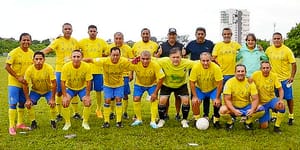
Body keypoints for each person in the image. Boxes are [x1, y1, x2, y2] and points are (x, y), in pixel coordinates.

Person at [42, 23, 81, 121]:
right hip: (60, 70)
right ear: (62, 30)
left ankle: (76, 113)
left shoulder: (75, 41)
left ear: (72, 30)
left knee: (74, 90)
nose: (67, 30)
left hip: (72, 69)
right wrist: (35, 55)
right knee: (59, 92)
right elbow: (48, 50)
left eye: (69, 29)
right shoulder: (58, 41)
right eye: (66, 29)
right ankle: (59, 114)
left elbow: (80, 53)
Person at [85, 47, 132, 128]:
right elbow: (90, 60)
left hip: (119, 84)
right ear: (110, 55)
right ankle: (106, 122)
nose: (115, 57)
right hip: (107, 85)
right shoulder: (104, 60)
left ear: (120, 55)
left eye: (117, 55)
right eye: (113, 55)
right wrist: (75, 60)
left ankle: (119, 121)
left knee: (118, 99)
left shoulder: (123, 60)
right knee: (107, 100)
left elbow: (133, 61)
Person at [156, 47, 196, 128]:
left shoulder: (186, 62)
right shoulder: (163, 61)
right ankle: (161, 119)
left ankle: (184, 120)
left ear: (181, 57)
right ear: (169, 57)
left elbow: (199, 63)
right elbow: (151, 59)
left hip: (181, 85)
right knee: (162, 100)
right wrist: (137, 59)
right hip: (167, 85)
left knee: (185, 100)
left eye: (178, 57)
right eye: (173, 57)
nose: (175, 59)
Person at [219, 64, 265, 130]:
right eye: (238, 71)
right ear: (235, 73)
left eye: (242, 71)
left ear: (245, 72)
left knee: (261, 109)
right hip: (234, 107)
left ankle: (248, 122)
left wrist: (252, 109)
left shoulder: (250, 82)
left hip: (246, 107)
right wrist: (234, 110)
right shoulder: (229, 82)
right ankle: (230, 122)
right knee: (222, 110)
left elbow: (255, 99)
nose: (240, 73)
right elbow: (227, 100)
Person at [5, 33, 34, 135]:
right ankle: (11, 126)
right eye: (24, 40)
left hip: (25, 83)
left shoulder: (31, 53)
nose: (26, 42)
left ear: (30, 41)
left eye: (28, 40)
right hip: (14, 82)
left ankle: (20, 123)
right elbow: (7, 66)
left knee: (22, 103)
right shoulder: (14, 52)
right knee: (13, 103)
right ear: (20, 41)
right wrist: (17, 77)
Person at [265, 32, 297, 125]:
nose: (276, 40)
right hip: (273, 79)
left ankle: (291, 116)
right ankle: (274, 115)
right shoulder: (269, 49)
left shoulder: (287, 50)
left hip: (285, 79)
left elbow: (294, 64)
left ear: (282, 39)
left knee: (289, 98)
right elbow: (263, 59)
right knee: (274, 97)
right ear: (272, 39)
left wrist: (292, 76)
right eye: (274, 38)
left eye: (278, 38)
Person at [184, 27, 215, 119]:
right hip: (195, 72)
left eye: (202, 34)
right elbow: (184, 53)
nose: (200, 36)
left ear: (205, 35)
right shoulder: (191, 44)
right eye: (199, 34)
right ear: (196, 34)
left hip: (208, 71)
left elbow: (214, 55)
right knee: (195, 94)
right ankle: (195, 115)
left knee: (206, 94)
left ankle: (206, 114)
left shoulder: (210, 44)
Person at [79, 25, 108, 119]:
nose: (92, 32)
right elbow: (74, 46)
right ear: (88, 32)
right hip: (87, 71)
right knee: (87, 91)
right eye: (91, 31)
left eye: (94, 31)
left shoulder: (102, 42)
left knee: (99, 90)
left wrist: (103, 55)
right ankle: (86, 110)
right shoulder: (82, 42)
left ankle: (98, 109)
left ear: (97, 32)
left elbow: (108, 52)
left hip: (98, 70)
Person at [130, 50, 165, 128]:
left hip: (152, 84)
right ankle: (138, 119)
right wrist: (132, 61)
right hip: (139, 84)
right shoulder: (136, 63)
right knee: (136, 99)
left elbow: (161, 78)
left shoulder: (155, 65)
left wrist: (155, 93)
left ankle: (153, 121)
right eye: (143, 58)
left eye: (147, 59)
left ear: (150, 59)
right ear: (140, 58)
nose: (145, 61)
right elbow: (125, 63)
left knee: (154, 99)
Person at [22, 52, 57, 130]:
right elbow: (24, 84)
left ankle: (53, 121)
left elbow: (54, 83)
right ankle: (33, 122)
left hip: (48, 90)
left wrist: (53, 98)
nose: (38, 61)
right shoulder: (29, 69)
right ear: (33, 60)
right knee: (29, 104)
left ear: (44, 60)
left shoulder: (49, 68)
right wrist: (27, 99)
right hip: (36, 91)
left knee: (52, 104)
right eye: (36, 59)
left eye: (40, 59)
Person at [156, 28, 184, 121]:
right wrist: (158, 54)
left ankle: (177, 113)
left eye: (174, 34)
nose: (172, 36)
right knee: (165, 97)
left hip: (177, 75)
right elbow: (156, 58)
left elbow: (184, 58)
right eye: (170, 34)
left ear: (176, 35)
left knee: (178, 97)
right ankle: (166, 113)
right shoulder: (162, 45)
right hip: (165, 75)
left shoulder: (180, 45)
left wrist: (183, 55)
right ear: (167, 35)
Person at [60, 50, 92, 130]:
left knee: (87, 102)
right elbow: (62, 82)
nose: (76, 59)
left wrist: (87, 95)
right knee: (65, 102)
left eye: (78, 57)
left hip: (82, 88)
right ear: (71, 57)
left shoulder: (87, 66)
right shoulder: (66, 66)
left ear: (81, 58)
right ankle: (67, 123)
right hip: (70, 88)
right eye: (74, 57)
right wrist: (64, 96)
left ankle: (85, 122)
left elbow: (88, 82)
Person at [189, 52, 223, 129]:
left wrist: (217, 98)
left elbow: (220, 83)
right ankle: (196, 119)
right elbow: (192, 82)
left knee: (217, 103)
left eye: (207, 60)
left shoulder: (216, 68)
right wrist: (194, 96)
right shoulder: (196, 67)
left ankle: (216, 120)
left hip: (213, 89)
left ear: (211, 60)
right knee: (195, 102)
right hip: (200, 89)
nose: (205, 63)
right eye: (203, 61)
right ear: (200, 60)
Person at [251, 61, 285, 133]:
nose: (265, 69)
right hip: (261, 103)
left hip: (271, 100)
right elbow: (248, 85)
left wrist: (281, 100)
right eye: (263, 68)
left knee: (282, 106)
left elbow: (280, 89)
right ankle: (266, 117)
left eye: (267, 68)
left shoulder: (274, 76)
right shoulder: (255, 75)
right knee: (264, 127)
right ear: (260, 69)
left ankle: (277, 127)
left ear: (270, 68)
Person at [107, 32, 134, 120]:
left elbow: (132, 62)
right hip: (112, 75)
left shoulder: (127, 48)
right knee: (112, 96)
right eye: (116, 38)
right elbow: (106, 60)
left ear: (123, 39)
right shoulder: (110, 47)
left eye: (120, 38)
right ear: (114, 39)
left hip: (124, 75)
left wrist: (131, 73)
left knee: (124, 94)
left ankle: (125, 112)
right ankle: (112, 112)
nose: (118, 40)